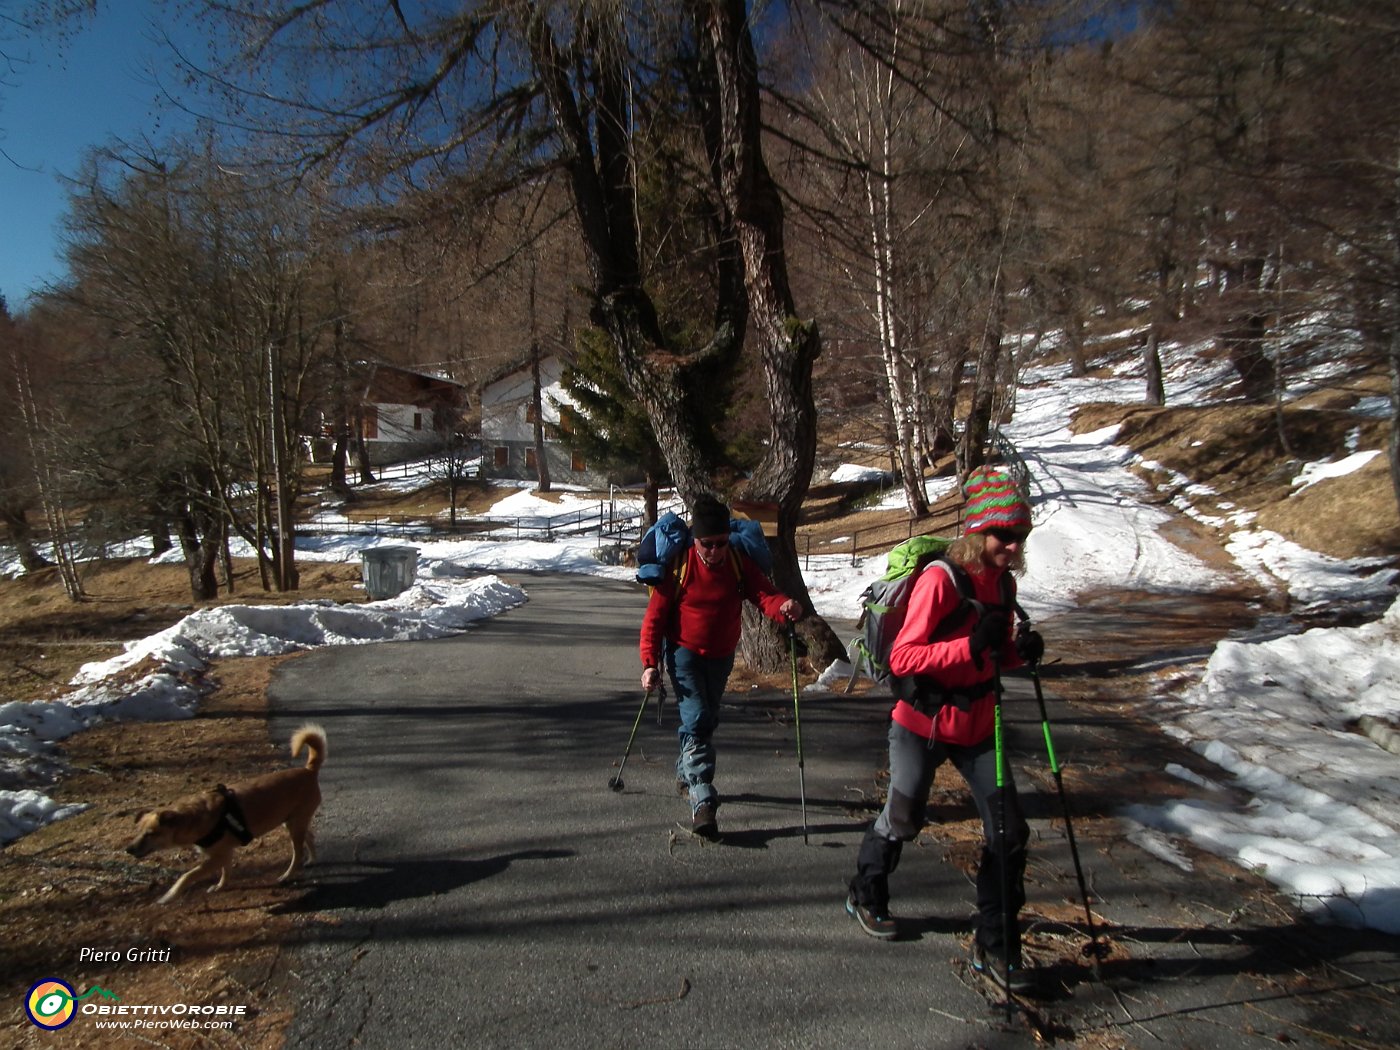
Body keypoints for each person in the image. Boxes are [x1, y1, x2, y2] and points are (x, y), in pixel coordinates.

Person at [844, 466, 1046, 995]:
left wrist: (1019, 655)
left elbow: (993, 655)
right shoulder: (941, 579)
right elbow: (904, 656)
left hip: (979, 726)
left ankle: (996, 945)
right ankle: (866, 892)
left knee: (1010, 833)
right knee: (905, 819)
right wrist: (971, 646)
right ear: (979, 532)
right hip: (921, 723)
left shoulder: (1003, 584)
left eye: (1020, 536)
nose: (1013, 545)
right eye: (1005, 535)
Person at [640, 493, 803, 838]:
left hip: (723, 655)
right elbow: (654, 619)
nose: (714, 551)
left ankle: (687, 773)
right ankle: (703, 797)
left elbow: (763, 594)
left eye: (720, 543)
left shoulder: (737, 561)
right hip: (683, 654)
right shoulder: (679, 565)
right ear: (695, 539)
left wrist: (784, 605)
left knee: (705, 719)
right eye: (707, 544)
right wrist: (649, 662)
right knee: (697, 716)